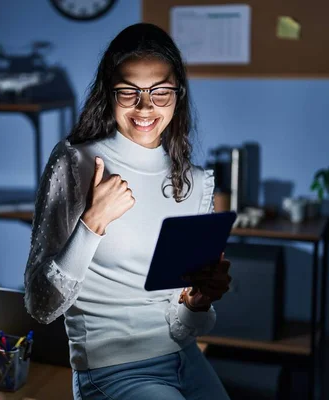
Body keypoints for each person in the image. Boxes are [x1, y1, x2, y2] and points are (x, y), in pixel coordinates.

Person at [24, 22, 232, 400]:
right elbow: (40, 304)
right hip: (111, 372)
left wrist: (196, 301)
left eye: (160, 92)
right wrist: (92, 223)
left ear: (178, 94)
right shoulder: (76, 161)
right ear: (110, 93)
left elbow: (183, 327)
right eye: (129, 92)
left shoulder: (195, 182)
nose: (146, 106)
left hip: (184, 358)